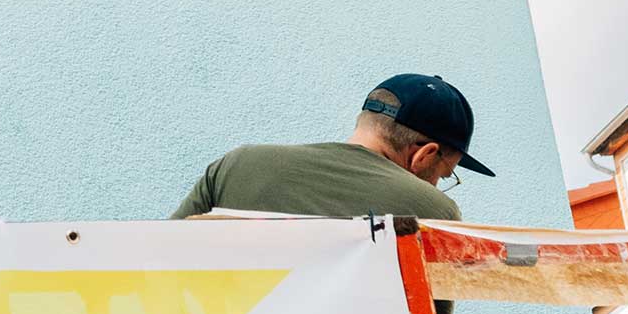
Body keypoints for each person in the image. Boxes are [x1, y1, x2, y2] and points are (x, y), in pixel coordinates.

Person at [174, 72, 493, 223]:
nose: (437, 186)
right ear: (425, 154)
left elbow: (159, 263)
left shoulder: (236, 165)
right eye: (445, 174)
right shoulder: (432, 212)